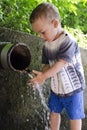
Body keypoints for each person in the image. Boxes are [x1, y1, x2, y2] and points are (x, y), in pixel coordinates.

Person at [28, 2, 85, 130]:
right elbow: (47, 65)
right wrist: (41, 76)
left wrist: (44, 76)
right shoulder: (47, 45)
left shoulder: (68, 41)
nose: (40, 36)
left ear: (55, 24)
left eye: (42, 32)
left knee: (75, 116)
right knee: (54, 112)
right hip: (57, 89)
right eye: (38, 33)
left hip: (73, 88)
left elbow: (61, 63)